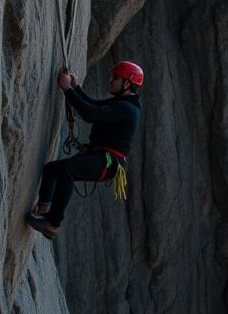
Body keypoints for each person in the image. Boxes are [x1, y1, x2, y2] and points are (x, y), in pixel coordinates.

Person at [26, 61, 143, 239]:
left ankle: (52, 223)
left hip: (108, 162)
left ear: (127, 84)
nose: (110, 81)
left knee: (67, 171)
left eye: (115, 78)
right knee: (52, 169)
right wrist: (75, 87)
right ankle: (43, 209)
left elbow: (91, 114)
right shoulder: (123, 103)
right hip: (102, 157)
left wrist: (67, 90)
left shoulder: (127, 109)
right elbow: (94, 105)